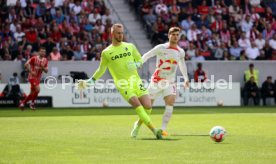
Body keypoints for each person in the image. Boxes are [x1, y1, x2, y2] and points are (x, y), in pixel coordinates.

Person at [76, 24, 163, 139]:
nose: (121, 35)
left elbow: (140, 60)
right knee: (138, 106)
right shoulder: (106, 52)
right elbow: (101, 70)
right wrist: (90, 81)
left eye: (122, 33)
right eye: (118, 33)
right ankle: (154, 130)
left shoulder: (130, 46)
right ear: (112, 34)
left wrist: (136, 64)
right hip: (123, 84)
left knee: (148, 106)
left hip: (136, 81)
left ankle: (137, 125)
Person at [130, 27, 189, 137]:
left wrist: (186, 78)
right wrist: (139, 64)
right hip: (156, 81)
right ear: (169, 35)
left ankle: (162, 129)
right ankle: (137, 126)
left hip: (170, 82)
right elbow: (147, 55)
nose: (175, 37)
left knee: (170, 102)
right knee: (147, 108)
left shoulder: (181, 52)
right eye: (173, 34)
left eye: (177, 35)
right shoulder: (161, 48)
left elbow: (182, 64)